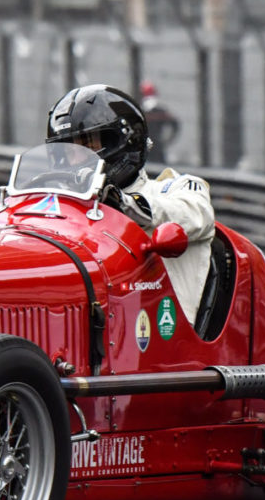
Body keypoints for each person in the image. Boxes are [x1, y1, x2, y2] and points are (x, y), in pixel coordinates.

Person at [45, 85, 215, 322]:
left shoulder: (175, 188)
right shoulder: (65, 206)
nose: (76, 159)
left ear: (123, 141)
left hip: (163, 332)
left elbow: (195, 215)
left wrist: (124, 204)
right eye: (69, 149)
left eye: (88, 145)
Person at [138, 81, 180, 168]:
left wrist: (167, 140)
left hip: (152, 146)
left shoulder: (154, 110)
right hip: (149, 146)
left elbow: (174, 124)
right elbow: (174, 124)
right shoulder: (156, 110)